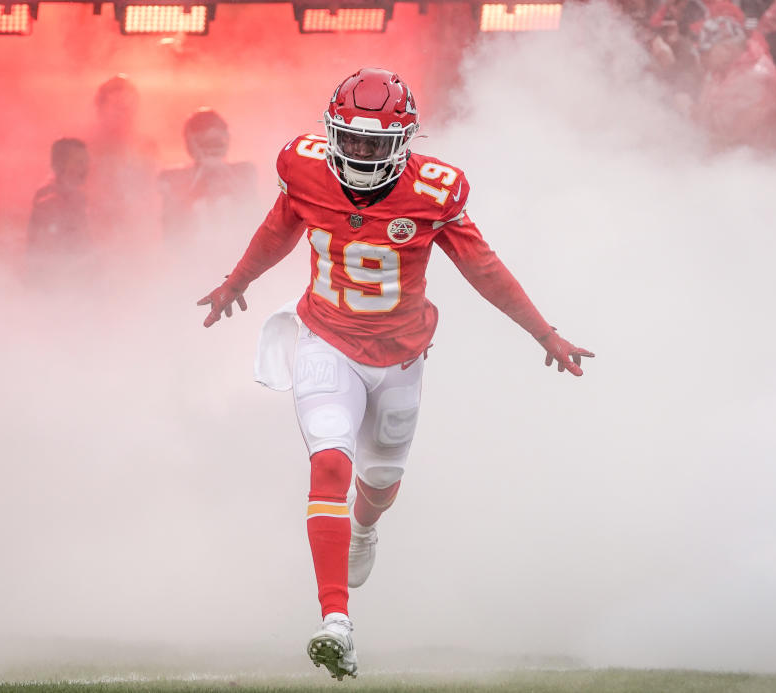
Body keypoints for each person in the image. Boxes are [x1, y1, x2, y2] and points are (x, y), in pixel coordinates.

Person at [196, 68, 594, 681]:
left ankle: (363, 526)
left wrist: (544, 333)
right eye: (349, 141)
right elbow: (282, 225)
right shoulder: (304, 168)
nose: (359, 153)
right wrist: (236, 282)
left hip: (401, 355)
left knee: (379, 481)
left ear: (404, 143)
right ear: (331, 135)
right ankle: (336, 622)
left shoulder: (435, 191)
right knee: (330, 462)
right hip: (326, 339)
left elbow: (484, 269)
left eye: (374, 144)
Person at [686, 2, 776, 149]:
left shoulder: (755, 76)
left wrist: (690, 110)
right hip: (728, 154)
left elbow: (728, 130)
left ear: (728, 48)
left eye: (707, 51)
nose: (702, 57)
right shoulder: (720, 70)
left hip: (753, 160)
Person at [159, 108, 257, 237]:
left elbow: (255, 219)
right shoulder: (174, 179)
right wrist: (193, 195)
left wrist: (234, 187)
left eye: (215, 142)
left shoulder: (243, 172)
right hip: (193, 250)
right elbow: (171, 233)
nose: (211, 147)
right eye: (206, 142)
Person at [87, 74, 159, 247]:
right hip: (96, 233)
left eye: (129, 107)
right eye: (118, 107)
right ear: (101, 108)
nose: (125, 113)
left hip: (136, 232)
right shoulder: (87, 148)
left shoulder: (146, 146)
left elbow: (152, 190)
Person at [26, 137, 90, 280]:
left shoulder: (77, 196)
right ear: (59, 165)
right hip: (55, 286)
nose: (85, 168)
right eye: (79, 162)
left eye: (86, 162)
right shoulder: (49, 200)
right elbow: (50, 255)